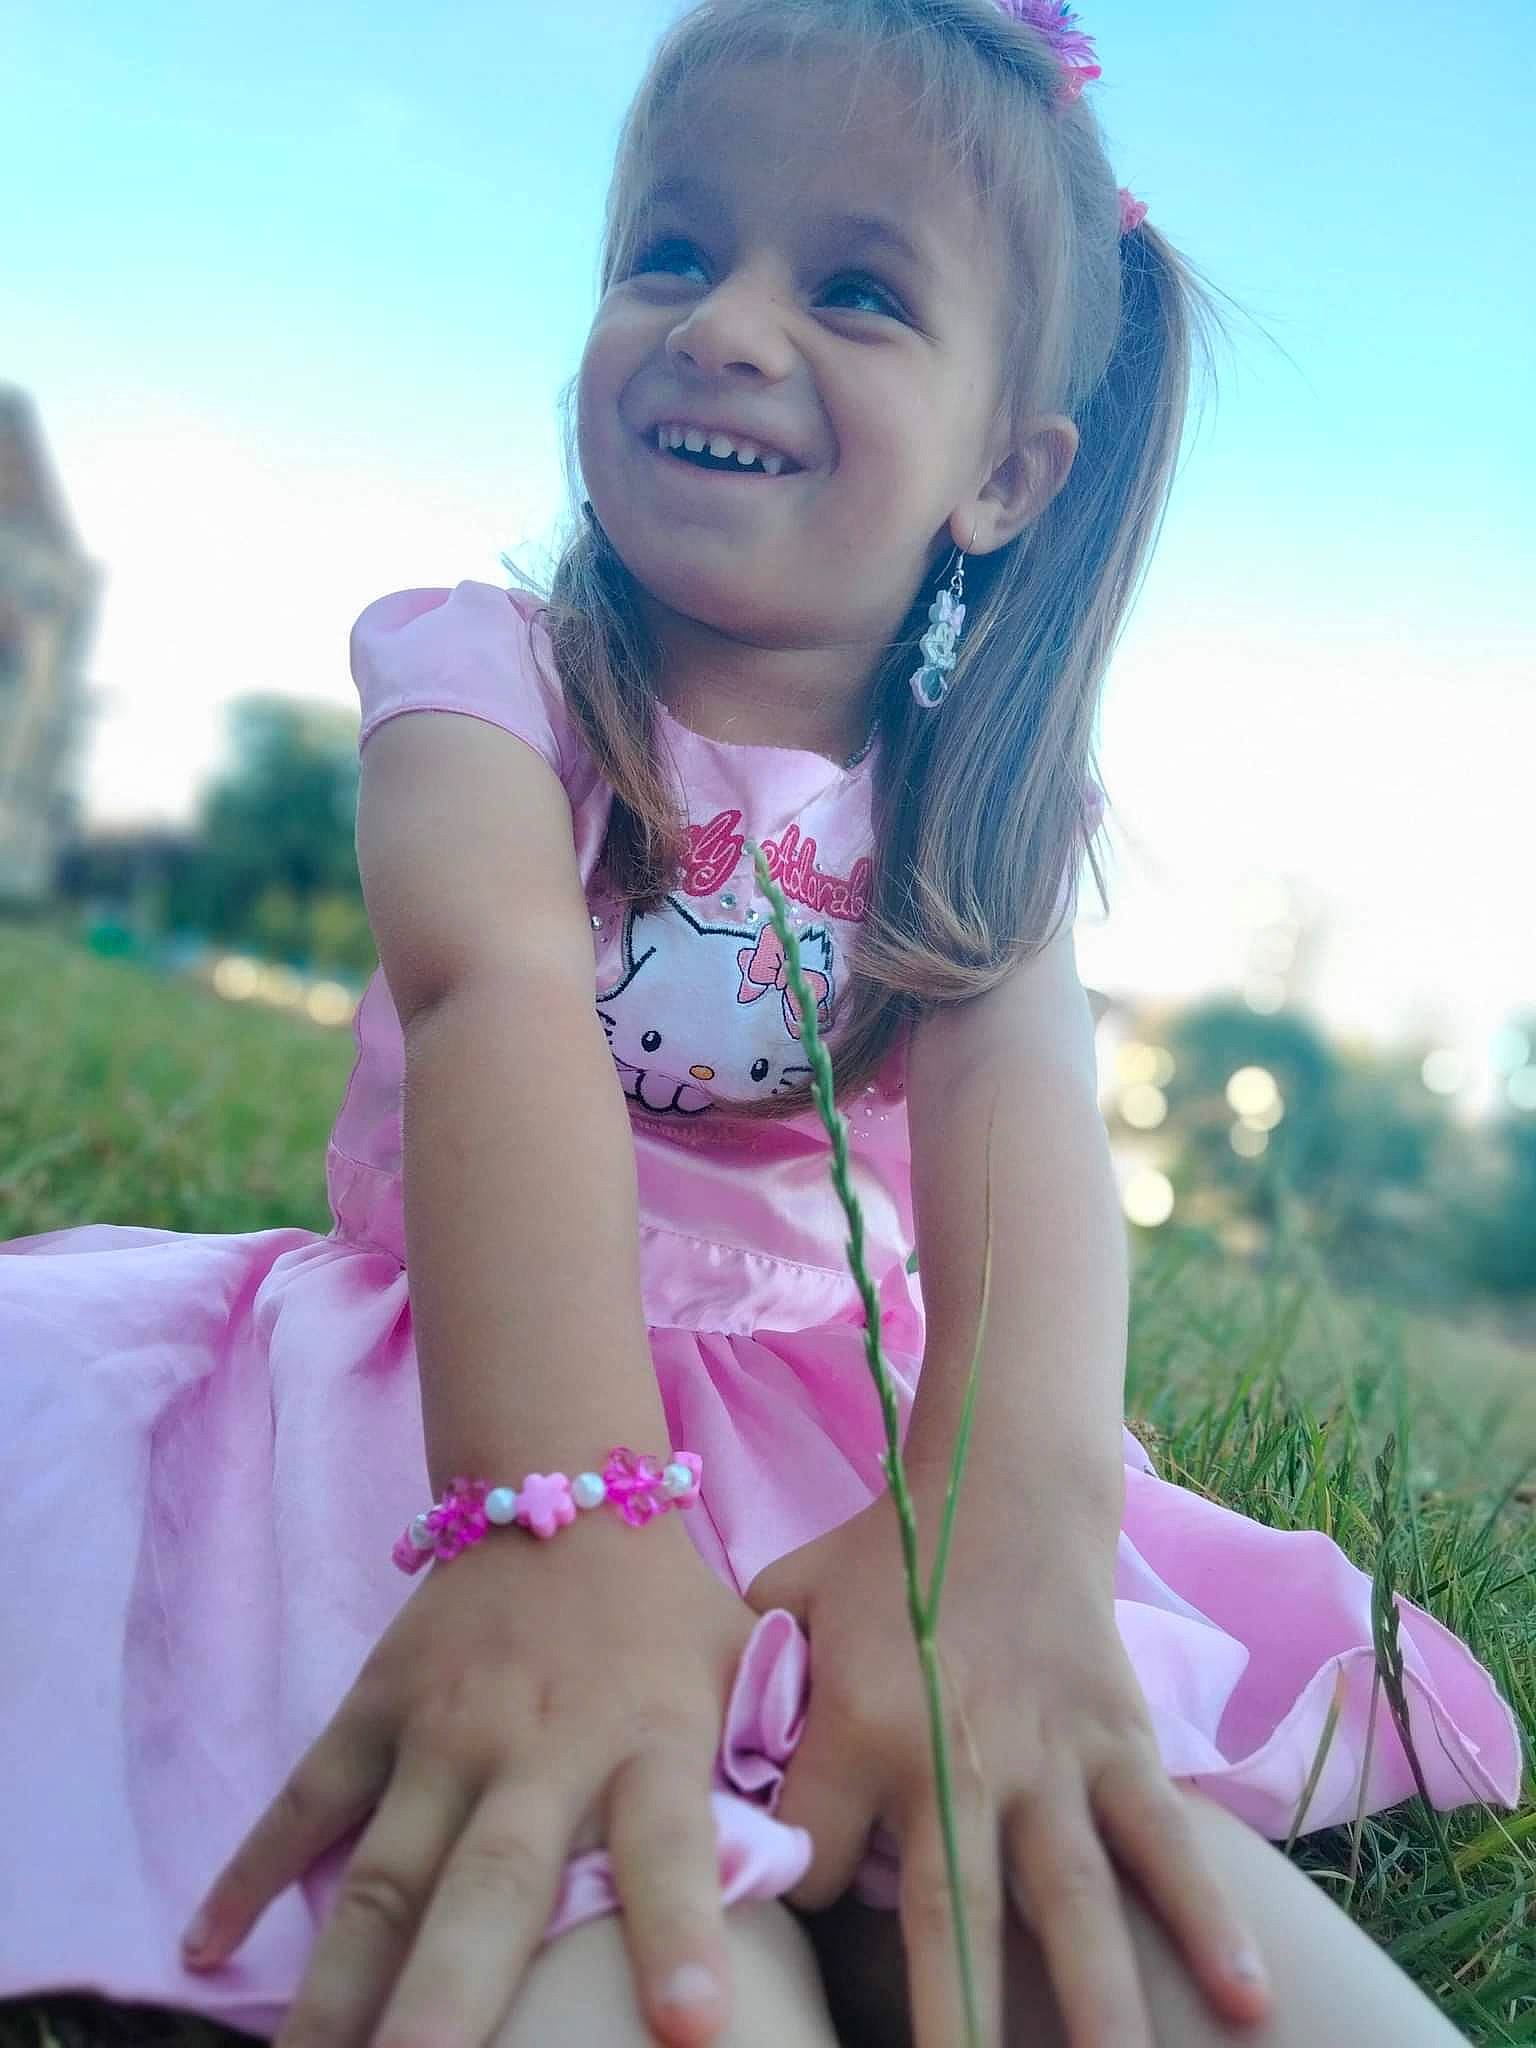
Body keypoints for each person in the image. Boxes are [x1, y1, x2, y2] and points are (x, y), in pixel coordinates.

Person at [0, 1, 1520, 2044]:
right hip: (471, 1407)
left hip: (839, 1454)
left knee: (1104, 1888)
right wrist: (562, 1517)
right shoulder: (486, 685)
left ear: (1006, 474)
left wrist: (1006, 1526)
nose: (723, 323)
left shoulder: (977, 811)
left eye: (858, 288)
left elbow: (1032, 1148)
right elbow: (495, 1003)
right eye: (671, 253)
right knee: (594, 1915)